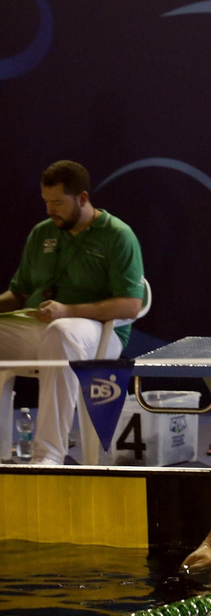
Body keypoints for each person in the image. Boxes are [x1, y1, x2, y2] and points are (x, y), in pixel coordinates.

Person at [0, 161, 145, 465]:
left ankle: (48, 456)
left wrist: (68, 311)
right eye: (46, 202)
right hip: (39, 327)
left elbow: (131, 304)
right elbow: (20, 294)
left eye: (57, 203)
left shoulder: (118, 235)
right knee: (54, 333)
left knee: (62, 332)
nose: (50, 210)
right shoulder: (42, 234)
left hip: (99, 333)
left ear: (81, 198)